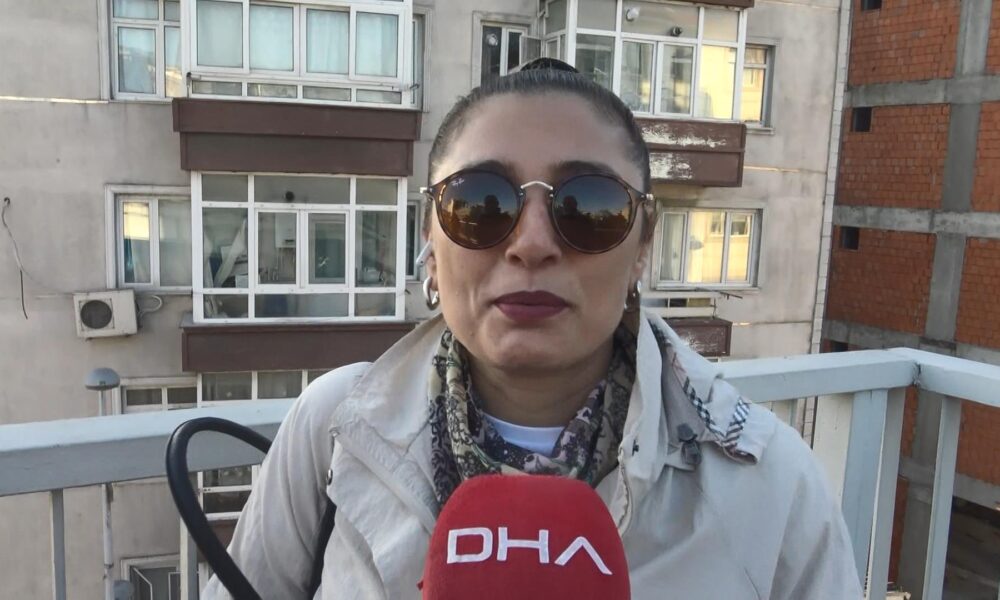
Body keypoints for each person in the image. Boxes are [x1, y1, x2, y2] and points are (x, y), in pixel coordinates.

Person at [203, 61, 862, 599]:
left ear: (643, 245)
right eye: (480, 202)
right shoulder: (334, 426)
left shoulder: (771, 483)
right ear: (430, 242)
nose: (532, 244)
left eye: (589, 206)